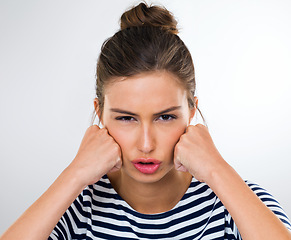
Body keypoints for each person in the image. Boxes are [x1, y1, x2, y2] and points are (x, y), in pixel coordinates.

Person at [1, 2, 291, 240]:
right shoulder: (75, 206)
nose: (146, 143)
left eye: (165, 117)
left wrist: (217, 170)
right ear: (99, 113)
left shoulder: (237, 201)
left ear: (191, 111)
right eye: (126, 118)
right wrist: (74, 174)